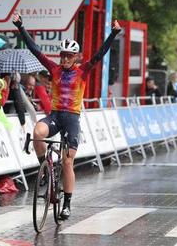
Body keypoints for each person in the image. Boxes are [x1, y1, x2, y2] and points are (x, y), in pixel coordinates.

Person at [12, 13, 121, 219]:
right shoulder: (53, 68)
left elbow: (99, 54)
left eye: (69, 56)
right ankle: (44, 167)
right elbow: (36, 51)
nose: (65, 59)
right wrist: (20, 26)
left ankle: (67, 204)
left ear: (76, 57)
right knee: (37, 133)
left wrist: (113, 34)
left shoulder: (83, 71)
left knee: (68, 161)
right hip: (55, 115)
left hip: (72, 118)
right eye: (62, 55)